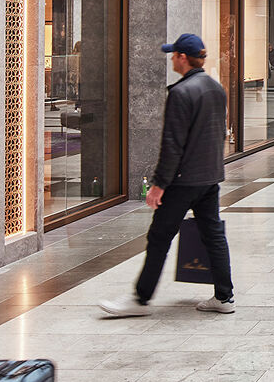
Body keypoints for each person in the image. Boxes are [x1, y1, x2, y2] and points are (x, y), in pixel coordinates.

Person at [99, 33, 233, 317]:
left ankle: (140, 299)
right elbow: (217, 134)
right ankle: (224, 296)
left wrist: (159, 184)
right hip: (209, 178)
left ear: (183, 58)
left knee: (159, 237)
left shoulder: (181, 93)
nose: (172, 58)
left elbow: (172, 144)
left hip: (183, 180)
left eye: (174, 54)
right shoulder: (215, 88)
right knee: (213, 235)